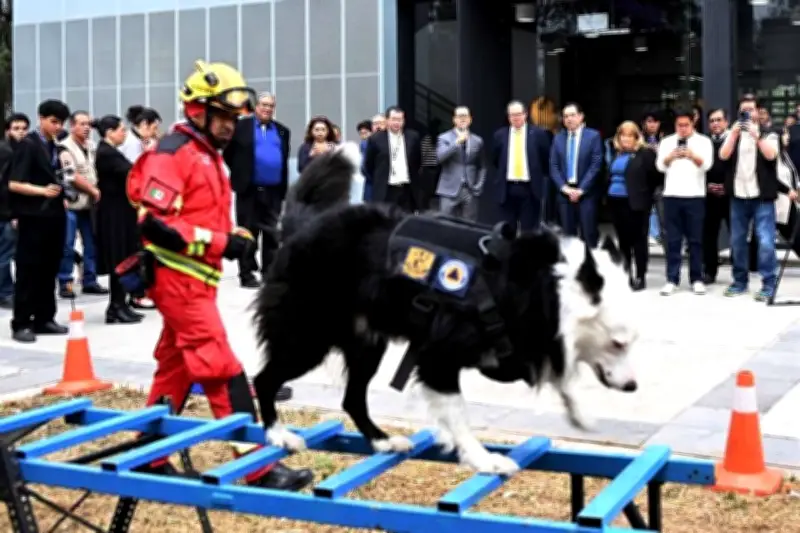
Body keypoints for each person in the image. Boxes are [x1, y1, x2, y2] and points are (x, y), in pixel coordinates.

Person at [126, 60, 312, 490]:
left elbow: (195, 215)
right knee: (219, 365)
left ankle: (147, 455)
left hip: (196, 281)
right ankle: (260, 468)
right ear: (198, 110)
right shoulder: (174, 153)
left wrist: (234, 234)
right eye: (224, 116)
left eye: (234, 118)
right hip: (178, 281)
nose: (231, 126)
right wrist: (221, 242)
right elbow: (155, 224)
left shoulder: (206, 155)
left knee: (175, 368)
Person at [8, 100, 95, 343]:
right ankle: (22, 322)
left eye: (60, 123)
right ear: (41, 118)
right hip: (33, 216)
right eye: (53, 121)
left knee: (49, 269)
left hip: (54, 215)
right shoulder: (28, 145)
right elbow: (14, 183)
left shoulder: (56, 146)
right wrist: (41, 191)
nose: (56, 127)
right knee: (28, 270)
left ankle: (45, 318)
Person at [94, 115, 143, 324]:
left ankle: (120, 304)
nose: (124, 133)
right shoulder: (106, 153)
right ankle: (116, 306)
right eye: (121, 130)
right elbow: (132, 172)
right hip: (113, 214)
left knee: (125, 257)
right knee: (119, 259)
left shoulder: (113, 152)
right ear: (109, 132)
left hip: (122, 212)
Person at [605, 121, 659, 291]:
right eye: (623, 135)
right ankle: (626, 275)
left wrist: (646, 199)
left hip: (636, 204)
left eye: (630, 135)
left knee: (638, 241)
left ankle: (640, 276)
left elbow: (654, 179)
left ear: (637, 137)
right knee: (623, 242)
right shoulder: (616, 154)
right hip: (616, 202)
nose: (626, 139)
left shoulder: (646, 154)